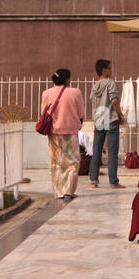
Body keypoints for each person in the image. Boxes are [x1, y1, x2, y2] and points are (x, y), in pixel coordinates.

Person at [39, 68, 86, 201]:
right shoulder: (75, 92)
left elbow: (43, 112)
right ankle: (69, 191)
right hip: (70, 131)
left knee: (56, 161)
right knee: (73, 162)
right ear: (67, 79)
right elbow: (81, 113)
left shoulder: (46, 93)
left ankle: (59, 191)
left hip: (53, 132)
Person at [89, 58, 125, 189]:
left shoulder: (95, 86)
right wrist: (121, 115)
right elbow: (114, 101)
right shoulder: (110, 83)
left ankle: (93, 180)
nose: (111, 70)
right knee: (112, 151)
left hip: (99, 119)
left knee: (96, 150)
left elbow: (93, 101)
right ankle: (113, 182)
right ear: (104, 70)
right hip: (110, 119)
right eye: (109, 68)